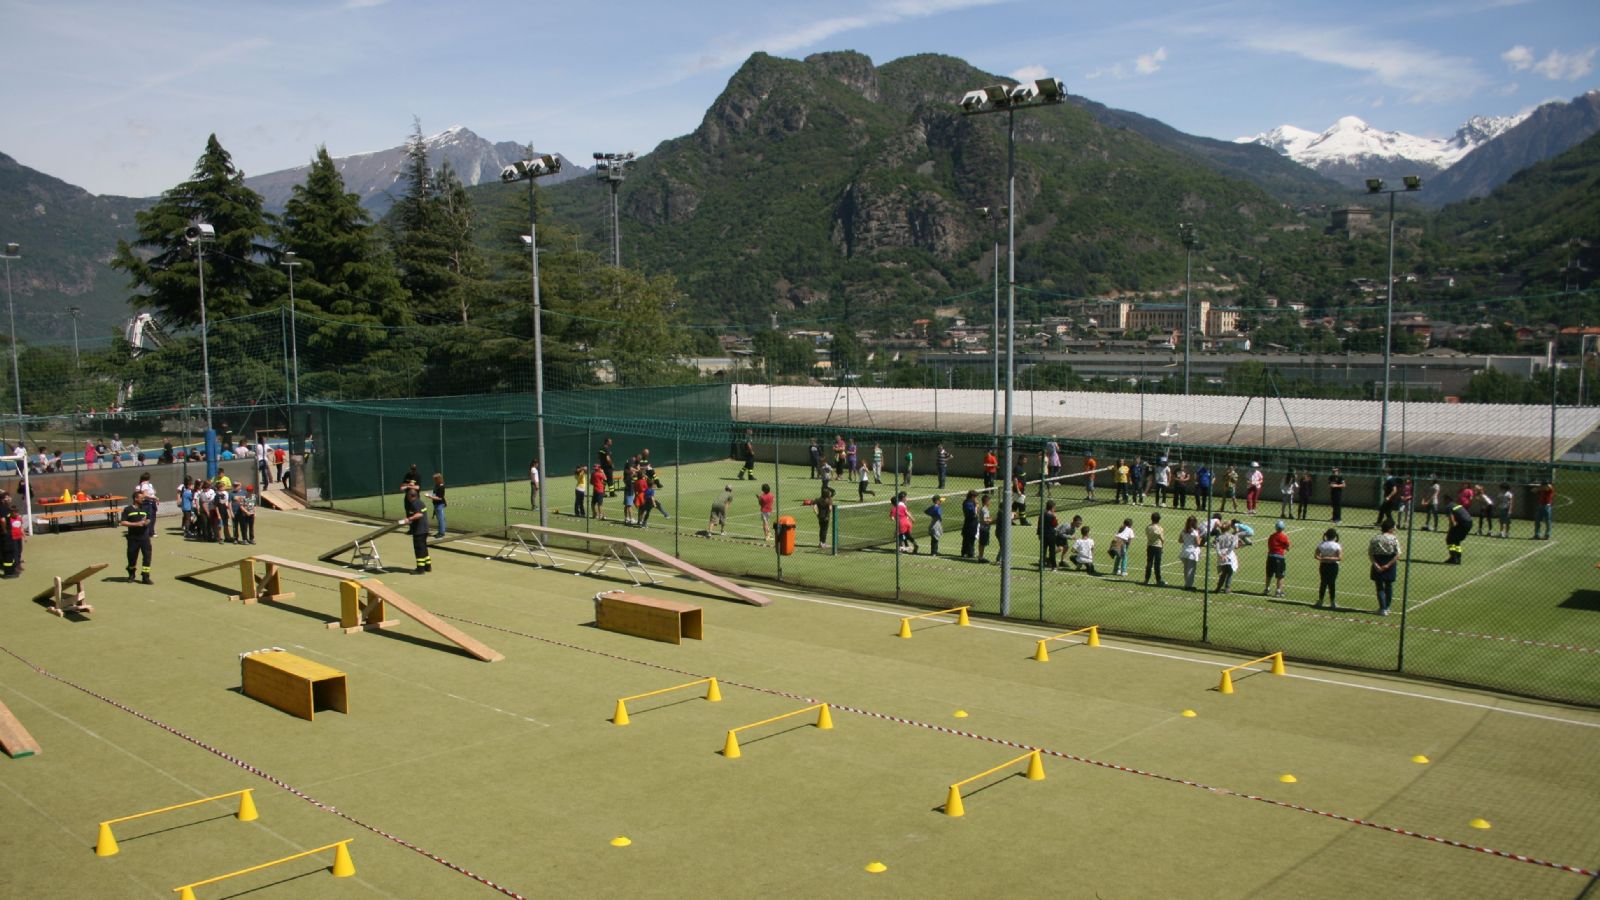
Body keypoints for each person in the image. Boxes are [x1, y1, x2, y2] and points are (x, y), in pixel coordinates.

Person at [120, 496, 154, 584]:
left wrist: (146, 522)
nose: (143, 499)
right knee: (132, 558)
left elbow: (149, 519)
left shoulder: (145, 509)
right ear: (135, 498)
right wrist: (136, 524)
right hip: (133, 538)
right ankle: (131, 574)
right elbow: (123, 522)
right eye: (141, 498)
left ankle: (145, 577)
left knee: (147, 557)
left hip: (145, 538)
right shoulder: (128, 509)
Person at [1369, 519, 1400, 615]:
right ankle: (1387, 607)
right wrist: (1388, 565)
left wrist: (1376, 564)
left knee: (1379, 586)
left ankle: (1382, 608)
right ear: (1390, 528)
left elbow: (1370, 553)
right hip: (1390, 563)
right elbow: (1398, 554)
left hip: (1378, 562)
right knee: (1389, 585)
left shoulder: (1375, 538)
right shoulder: (1394, 539)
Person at [401, 485, 430, 574]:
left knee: (419, 549)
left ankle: (420, 569)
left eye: (407, 496)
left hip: (419, 530)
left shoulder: (414, 503)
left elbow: (419, 514)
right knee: (424, 548)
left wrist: (409, 519)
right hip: (425, 529)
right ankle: (427, 566)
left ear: (411, 496)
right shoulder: (420, 502)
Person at [1314, 528, 1341, 610]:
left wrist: (1323, 558)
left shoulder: (1322, 544)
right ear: (1335, 536)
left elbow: (1316, 555)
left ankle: (1320, 601)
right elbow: (1339, 557)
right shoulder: (1337, 545)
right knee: (1332, 584)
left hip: (1323, 565)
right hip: (1333, 566)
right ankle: (1332, 602)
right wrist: (1331, 558)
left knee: (1323, 583)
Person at [1264, 520, 1291, 597]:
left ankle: (1267, 589)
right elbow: (1288, 547)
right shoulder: (1284, 536)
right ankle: (1278, 591)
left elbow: (1270, 545)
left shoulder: (1272, 536)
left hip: (1270, 557)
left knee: (1269, 574)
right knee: (1280, 575)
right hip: (1279, 557)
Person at [1212, 524, 1239, 593]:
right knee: (1229, 572)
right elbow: (1233, 546)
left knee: (1224, 572)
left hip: (1221, 555)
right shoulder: (1232, 537)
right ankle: (1227, 588)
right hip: (1229, 555)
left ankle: (1218, 587)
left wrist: (1220, 554)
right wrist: (1226, 554)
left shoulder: (1218, 537)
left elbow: (1217, 547)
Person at [1445, 498, 1472, 564]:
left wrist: (1450, 530)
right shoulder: (1457, 505)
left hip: (1462, 524)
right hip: (1469, 523)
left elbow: (1452, 521)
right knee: (1456, 540)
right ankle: (1458, 558)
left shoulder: (1449, 506)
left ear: (1447, 500)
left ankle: (1453, 558)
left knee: (1449, 540)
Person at [1179, 515, 1202, 591]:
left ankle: (1187, 584)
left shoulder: (1183, 530)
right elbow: (1198, 543)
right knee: (1191, 570)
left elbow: (1180, 540)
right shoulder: (1195, 532)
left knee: (1186, 569)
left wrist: (1186, 540)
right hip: (1192, 552)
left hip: (1184, 551)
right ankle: (1188, 586)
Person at [1144, 512, 1166, 586]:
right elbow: (1162, 539)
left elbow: (1147, 535)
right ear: (1159, 519)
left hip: (1150, 546)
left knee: (1149, 563)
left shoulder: (1148, 527)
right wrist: (1162, 547)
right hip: (1157, 547)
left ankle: (1146, 579)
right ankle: (1158, 580)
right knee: (1157, 564)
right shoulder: (1159, 528)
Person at [1039, 500, 1060, 570]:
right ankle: (1053, 566)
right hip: (1051, 535)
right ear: (1052, 507)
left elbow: (1039, 524)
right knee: (1052, 551)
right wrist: (1055, 517)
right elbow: (1055, 525)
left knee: (1043, 551)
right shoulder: (1052, 516)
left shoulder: (1042, 514)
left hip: (1043, 534)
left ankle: (1042, 565)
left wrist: (1039, 534)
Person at [960, 490, 979, 558]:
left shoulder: (972, 503)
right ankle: (969, 552)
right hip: (970, 522)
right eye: (975, 497)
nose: (976, 499)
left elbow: (977, 512)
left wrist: (976, 505)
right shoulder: (967, 503)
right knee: (969, 537)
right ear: (972, 497)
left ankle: (966, 552)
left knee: (970, 537)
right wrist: (976, 506)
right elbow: (973, 513)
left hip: (973, 522)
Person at [977, 493, 994, 561]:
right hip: (984, 528)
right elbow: (985, 520)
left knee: (983, 543)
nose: (990, 502)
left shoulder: (985, 509)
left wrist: (989, 519)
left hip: (984, 527)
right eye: (989, 501)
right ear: (986, 501)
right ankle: (980, 557)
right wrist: (992, 520)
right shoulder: (984, 509)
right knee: (982, 543)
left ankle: (981, 556)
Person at [430, 473, 448, 538]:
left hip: (440, 504)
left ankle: (441, 533)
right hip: (436, 504)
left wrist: (430, 497)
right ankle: (440, 531)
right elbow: (434, 494)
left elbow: (439, 498)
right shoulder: (436, 485)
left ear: (438, 479)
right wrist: (431, 495)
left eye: (435, 479)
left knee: (441, 519)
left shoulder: (441, 486)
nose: (434, 480)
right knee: (439, 518)